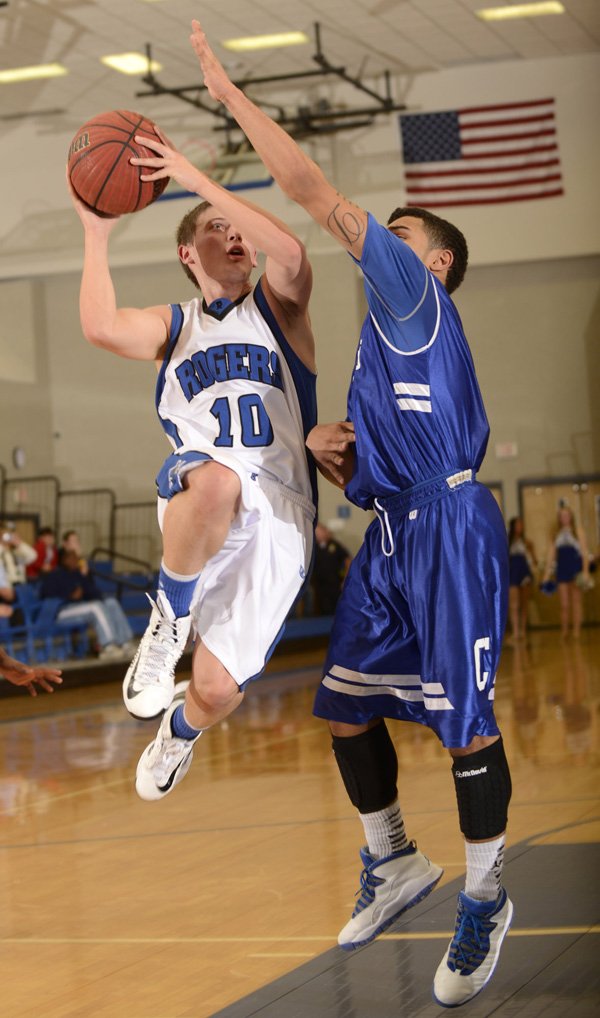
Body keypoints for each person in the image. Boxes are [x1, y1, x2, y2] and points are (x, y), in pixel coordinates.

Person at [190, 21, 512, 1008]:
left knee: (462, 726)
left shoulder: (413, 294)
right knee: (340, 707)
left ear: (437, 266)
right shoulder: (383, 349)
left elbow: (313, 197)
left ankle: (489, 892)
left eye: (402, 234)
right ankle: (395, 857)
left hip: (449, 533)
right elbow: (377, 471)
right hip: (394, 531)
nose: (382, 236)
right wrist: (340, 456)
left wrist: (232, 104)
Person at [68, 121, 317, 801]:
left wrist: (191, 175)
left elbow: (291, 250)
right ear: (187, 250)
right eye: (217, 226)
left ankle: (179, 733)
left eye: (240, 227)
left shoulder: (280, 308)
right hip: (202, 497)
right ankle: (168, 620)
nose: (237, 234)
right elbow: (100, 326)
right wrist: (95, 229)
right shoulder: (177, 325)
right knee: (216, 477)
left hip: (281, 514)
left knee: (213, 687)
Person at [40, 550, 135, 659]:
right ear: (64, 560)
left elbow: (95, 592)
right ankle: (108, 646)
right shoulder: (54, 575)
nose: (76, 560)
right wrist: (70, 595)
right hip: (61, 611)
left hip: (79, 608)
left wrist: (86, 578)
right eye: (72, 558)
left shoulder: (77, 574)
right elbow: (46, 595)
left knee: (110, 602)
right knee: (95, 607)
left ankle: (125, 643)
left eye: (76, 557)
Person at [541, 505, 590, 640]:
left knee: (576, 602)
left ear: (571, 516)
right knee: (564, 604)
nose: (565, 518)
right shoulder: (556, 534)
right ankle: (565, 631)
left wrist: (585, 572)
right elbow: (551, 556)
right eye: (562, 515)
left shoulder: (578, 531)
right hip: (562, 570)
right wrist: (546, 575)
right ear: (559, 518)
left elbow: (585, 553)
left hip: (575, 569)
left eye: (567, 515)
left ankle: (576, 632)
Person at [507, 516, 537, 643]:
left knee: (524, 604)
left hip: (524, 573)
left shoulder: (527, 543)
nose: (520, 527)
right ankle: (515, 632)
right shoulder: (507, 542)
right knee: (514, 604)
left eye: (522, 524)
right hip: (512, 573)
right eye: (518, 524)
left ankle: (523, 631)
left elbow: (534, 561)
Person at [311, 521, 351, 615]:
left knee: (336, 609)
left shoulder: (335, 545)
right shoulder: (314, 547)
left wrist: (346, 579)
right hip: (319, 585)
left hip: (335, 584)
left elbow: (348, 561)